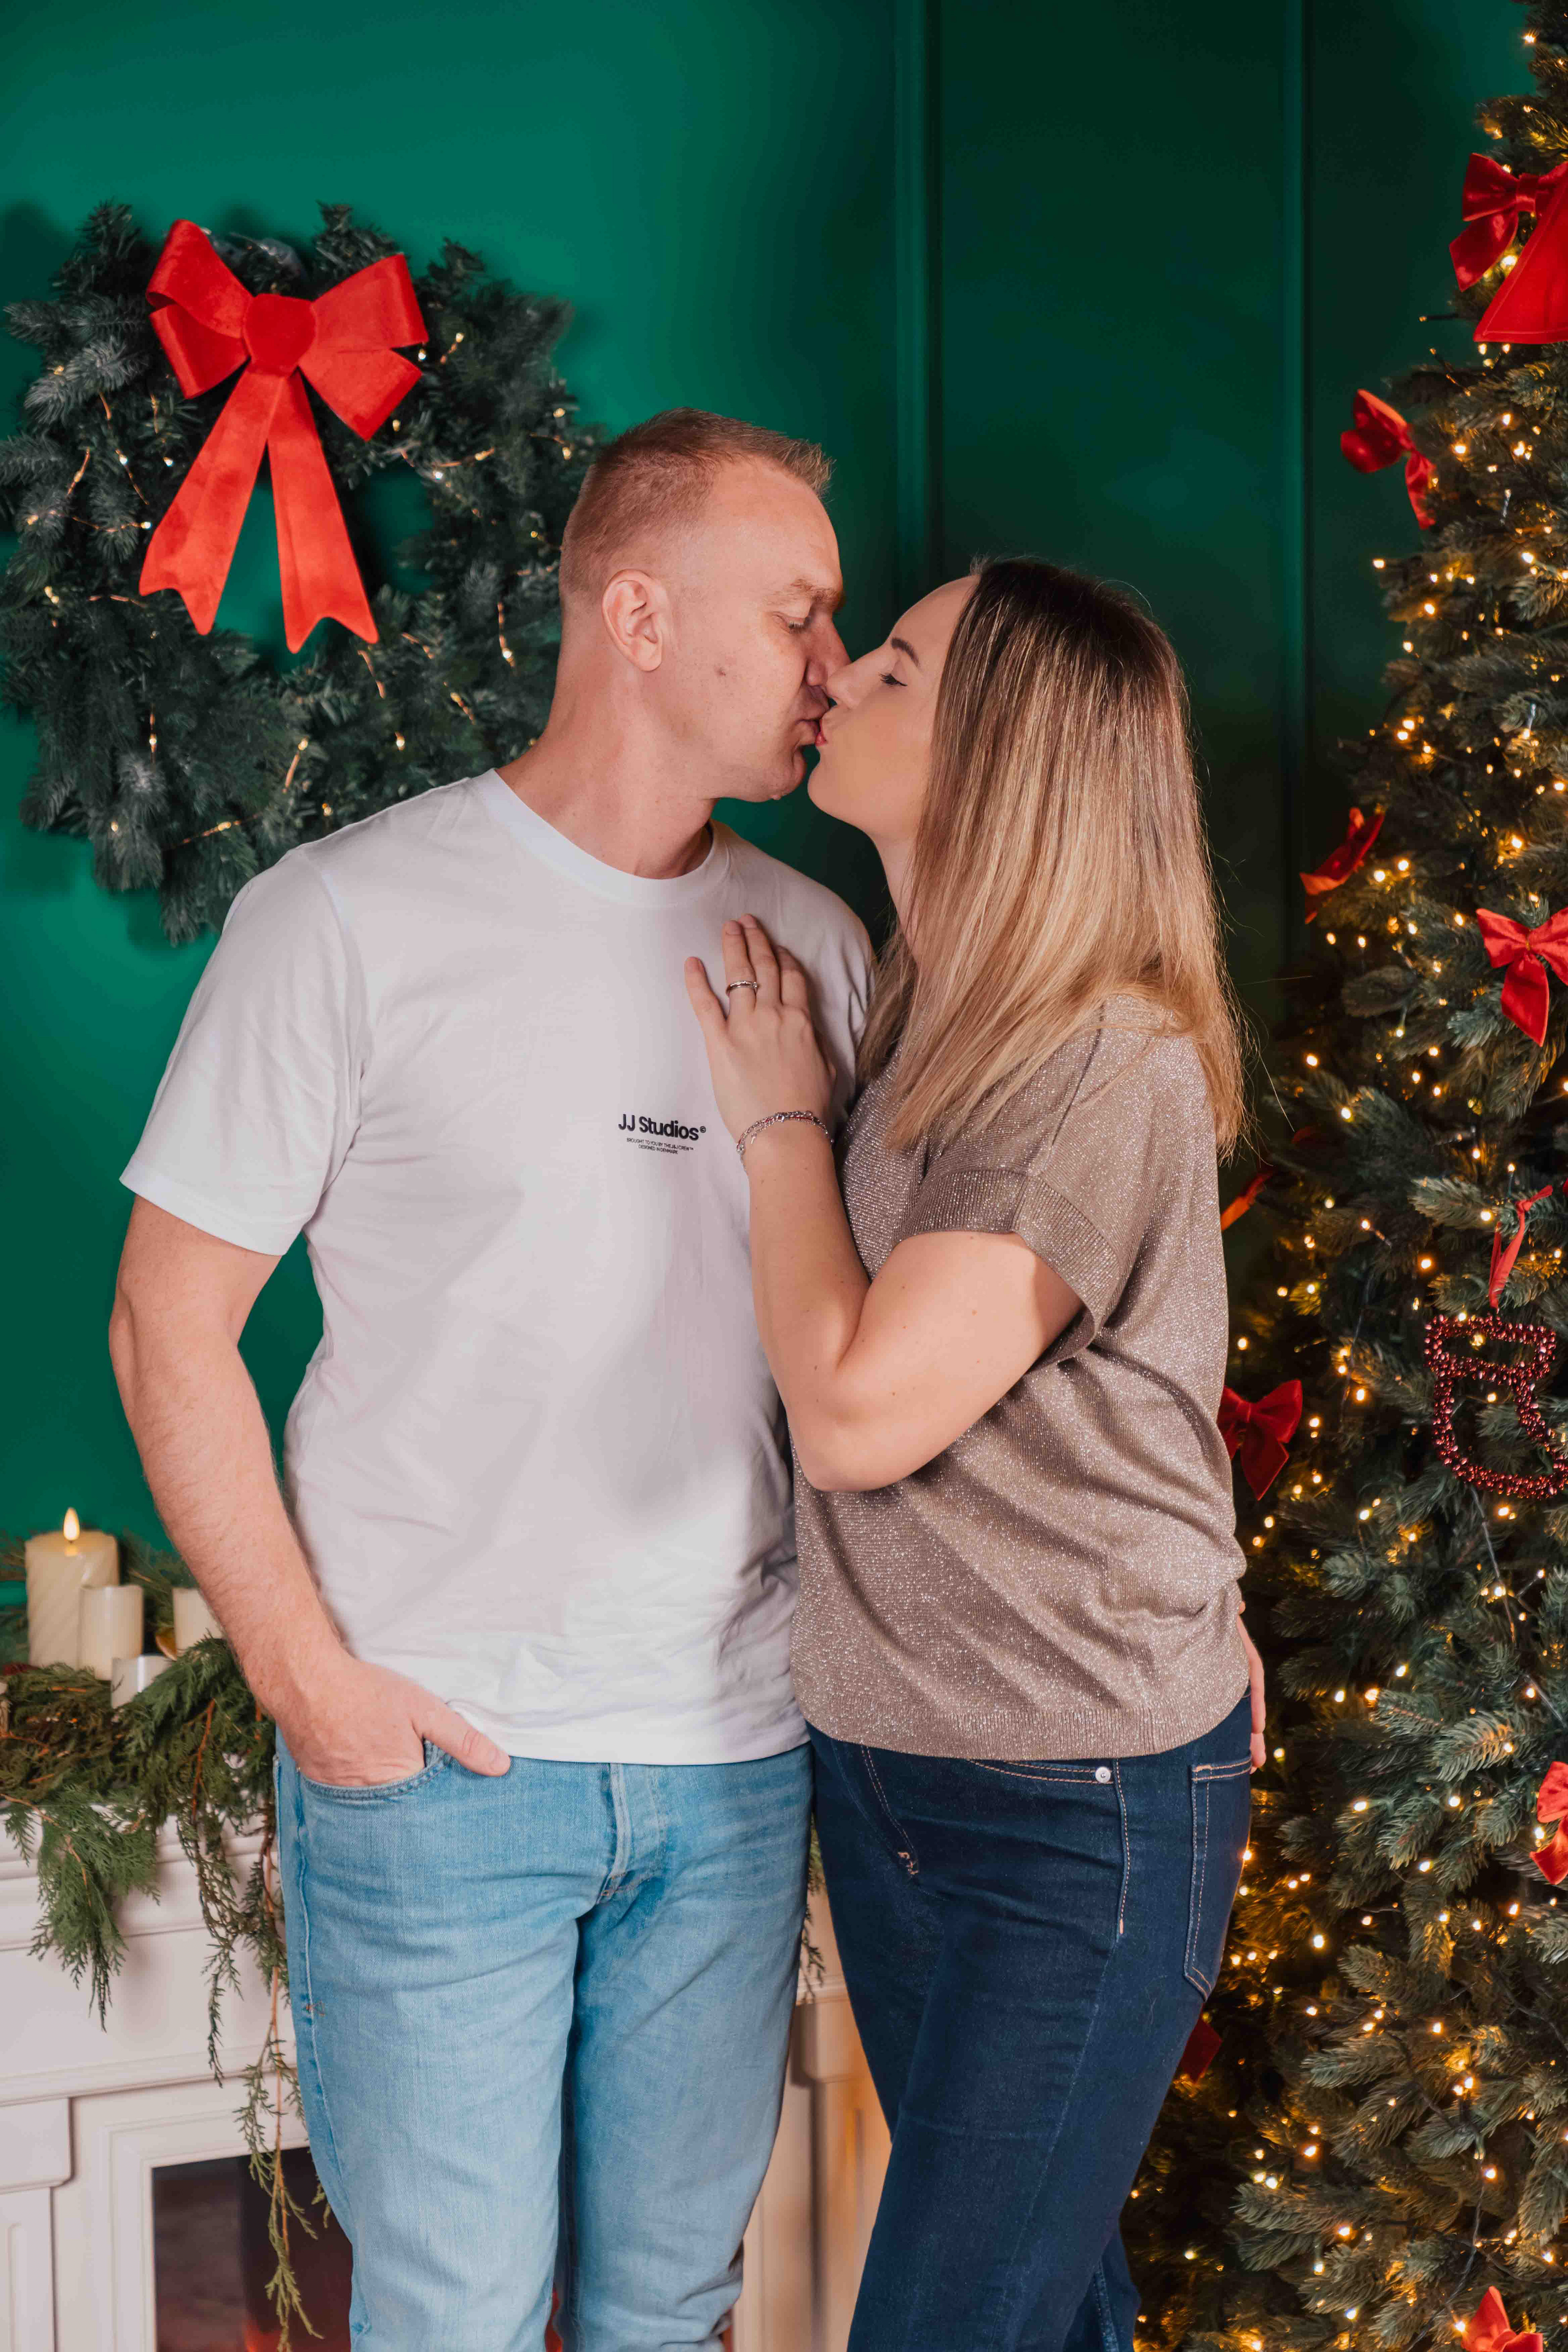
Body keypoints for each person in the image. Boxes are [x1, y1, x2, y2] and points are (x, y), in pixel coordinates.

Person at [108, 410, 873, 2352]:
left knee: (668, 2310)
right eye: (794, 612)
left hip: (736, 1757)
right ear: (639, 614)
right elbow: (167, 1319)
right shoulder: (346, 919)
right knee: (449, 2316)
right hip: (440, 1763)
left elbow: (877, 1358)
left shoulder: (816, 945)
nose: (833, 663)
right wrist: (311, 1684)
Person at [685, 555, 1262, 2352]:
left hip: (1072, 1804)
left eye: (897, 666)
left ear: (1003, 755)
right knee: (1043, 2313)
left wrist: (780, 1121)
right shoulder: (929, 1005)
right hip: (894, 1773)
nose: (841, 674)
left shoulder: (1096, 1054)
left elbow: (861, 1415)